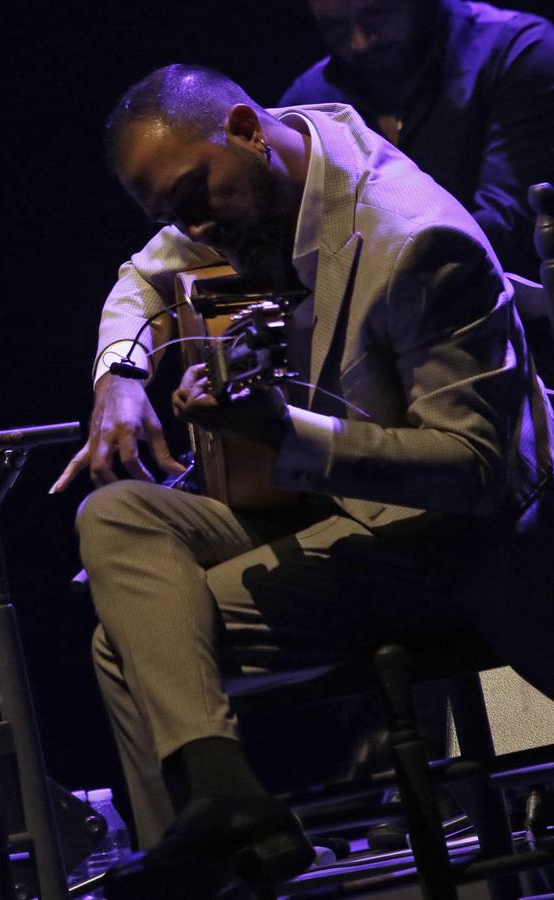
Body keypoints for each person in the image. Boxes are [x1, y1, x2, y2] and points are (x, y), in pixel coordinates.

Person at [52, 66, 552, 897]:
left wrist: (284, 435)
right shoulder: (252, 181)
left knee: (128, 640)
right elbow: (142, 274)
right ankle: (225, 806)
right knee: (116, 516)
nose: (193, 225)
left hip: (460, 542)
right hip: (342, 516)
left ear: (247, 129)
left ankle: (220, 843)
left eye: (192, 196)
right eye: (172, 213)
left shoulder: (412, 238)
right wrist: (119, 377)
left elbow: (482, 471)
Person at [280, 0, 554, 280]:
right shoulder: (310, 98)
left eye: (378, 14)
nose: (360, 42)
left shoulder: (518, 50)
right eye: (334, 27)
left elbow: (505, 225)